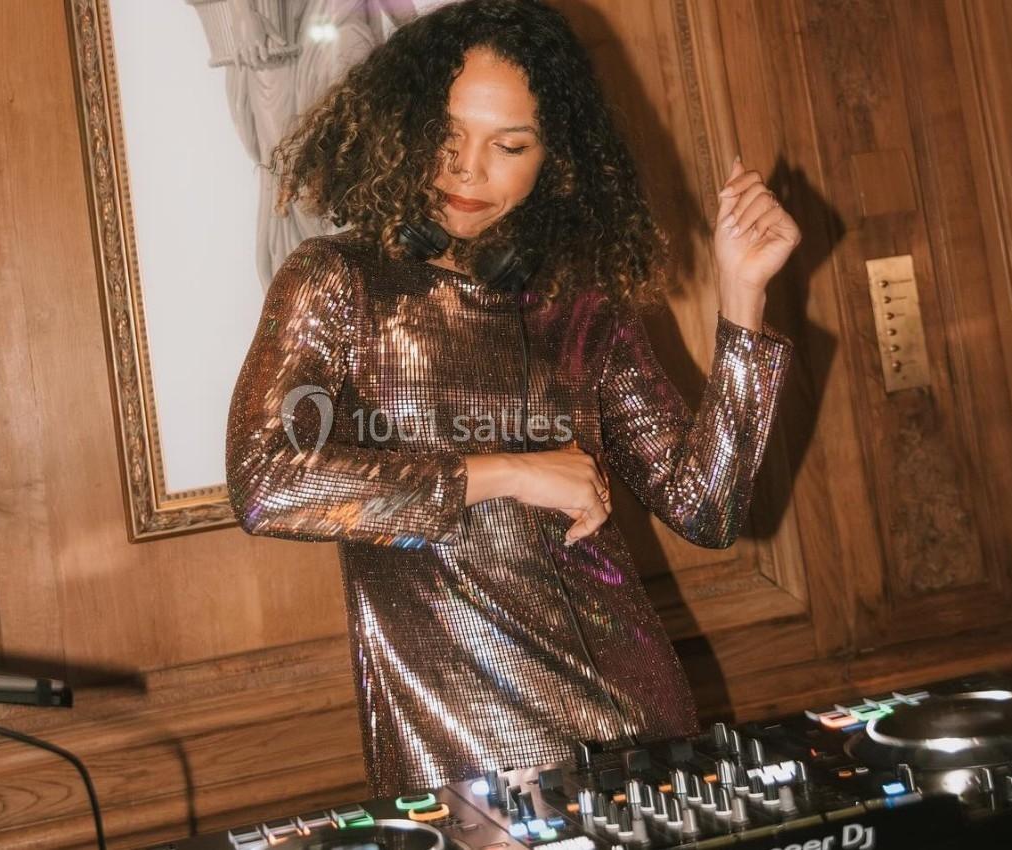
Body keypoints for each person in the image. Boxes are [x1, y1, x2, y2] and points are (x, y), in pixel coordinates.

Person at [225, 0, 799, 797]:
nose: (467, 169)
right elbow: (265, 485)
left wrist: (742, 301)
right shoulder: (338, 281)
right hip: (461, 754)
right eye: (449, 133)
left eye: (510, 145)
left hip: (636, 725)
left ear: (553, 159)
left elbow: (708, 508)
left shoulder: (584, 303)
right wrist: (509, 472)